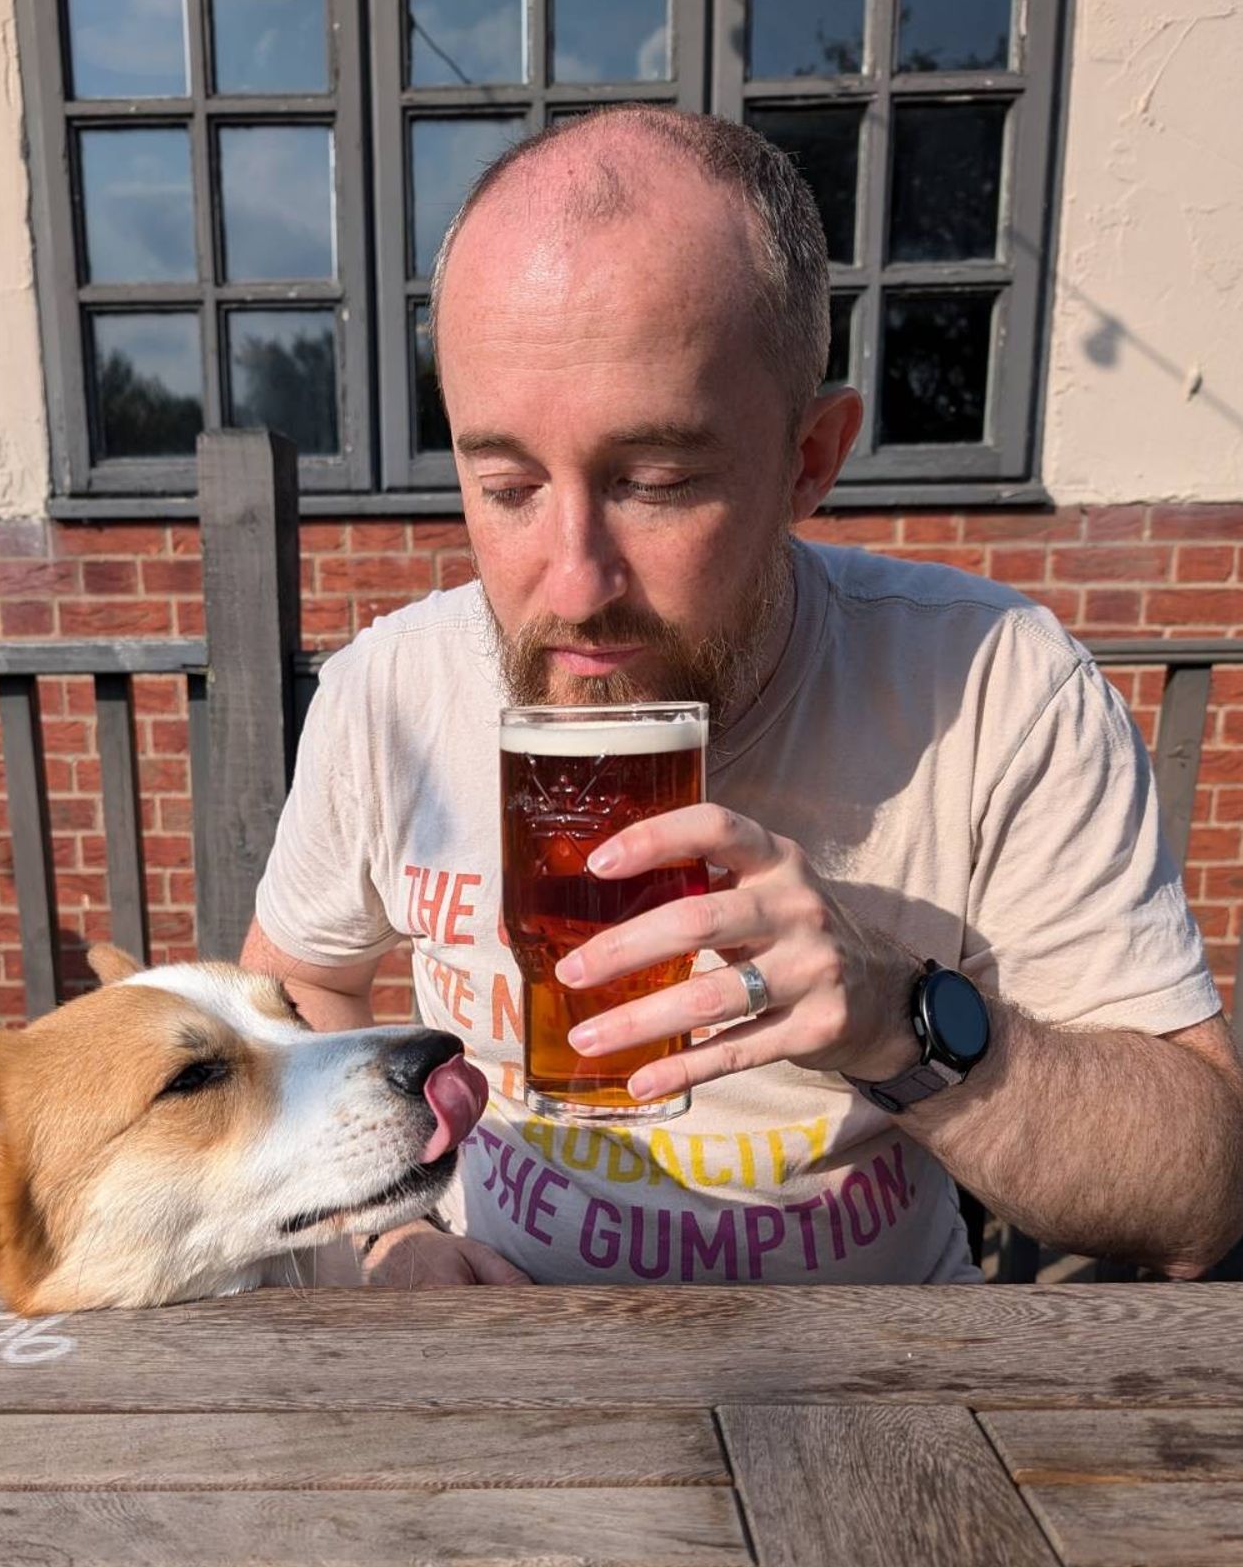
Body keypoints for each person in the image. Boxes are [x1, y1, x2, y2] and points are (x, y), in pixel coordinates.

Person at [242, 108, 1243, 1287]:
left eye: (657, 481)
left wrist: (895, 1017)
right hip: (502, 1361)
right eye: (506, 484)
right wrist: (388, 1229)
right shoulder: (389, 694)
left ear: (809, 460)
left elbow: (1203, 1192)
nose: (572, 582)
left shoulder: (992, 685)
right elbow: (296, 983)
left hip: (867, 1390)